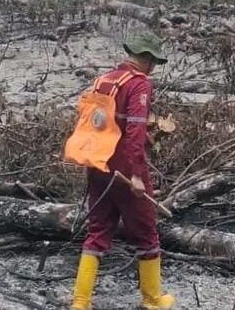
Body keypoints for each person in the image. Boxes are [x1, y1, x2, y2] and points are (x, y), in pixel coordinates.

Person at [71, 33, 175, 310]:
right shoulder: (139, 85)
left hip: (98, 165)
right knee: (147, 233)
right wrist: (137, 175)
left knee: (97, 230)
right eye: (153, 61)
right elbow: (134, 134)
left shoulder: (103, 80)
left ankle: (81, 303)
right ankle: (153, 301)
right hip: (125, 171)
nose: (153, 67)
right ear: (148, 59)